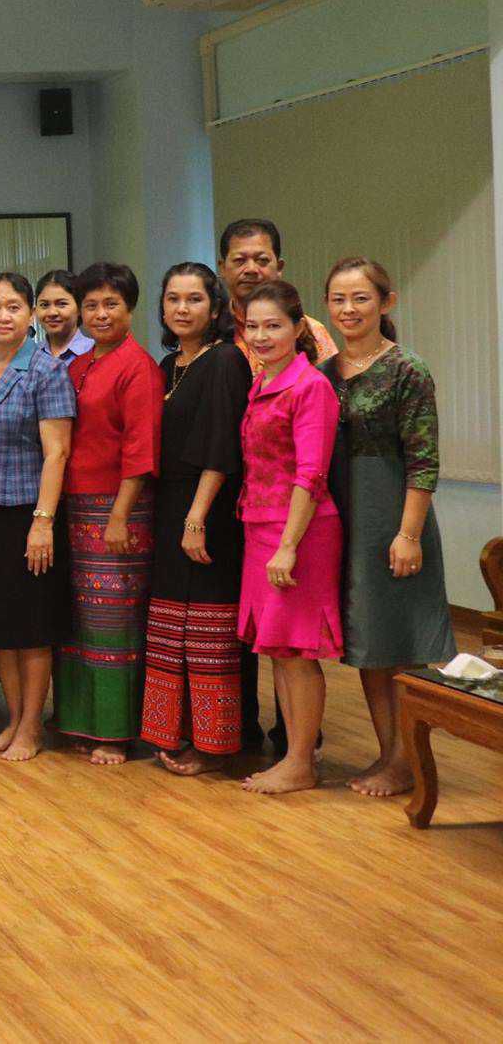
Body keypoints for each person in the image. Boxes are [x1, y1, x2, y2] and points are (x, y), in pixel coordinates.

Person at [321, 258, 455, 797]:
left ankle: (409, 760)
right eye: (338, 299)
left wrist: (408, 534)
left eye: (360, 298)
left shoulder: (407, 369)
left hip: (394, 518)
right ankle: (388, 754)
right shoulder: (325, 372)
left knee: (402, 642)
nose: (349, 309)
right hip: (345, 518)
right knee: (368, 642)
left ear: (385, 302)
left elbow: (424, 460)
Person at [140, 264, 252, 776]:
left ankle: (215, 743)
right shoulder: (169, 365)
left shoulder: (226, 359)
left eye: (194, 299)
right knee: (172, 626)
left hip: (208, 508)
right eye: (173, 299)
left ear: (215, 307)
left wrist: (196, 517)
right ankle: (176, 731)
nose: (182, 308)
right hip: (169, 505)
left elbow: (222, 443)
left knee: (208, 629)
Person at [0, 272, 74, 763]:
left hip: (28, 515)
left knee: (31, 626)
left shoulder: (48, 370)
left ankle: (32, 726)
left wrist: (43, 521)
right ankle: (13, 719)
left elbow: (57, 453)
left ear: (30, 315)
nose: (3, 316)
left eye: (13, 307)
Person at [236, 280, 343, 795]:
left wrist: (288, 545)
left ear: (299, 328)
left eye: (273, 326)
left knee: (298, 650)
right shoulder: (263, 381)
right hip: (261, 525)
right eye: (252, 326)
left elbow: (311, 473)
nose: (261, 336)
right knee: (277, 647)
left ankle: (302, 760)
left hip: (299, 531)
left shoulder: (310, 386)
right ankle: (292, 757)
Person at [58, 262, 163, 766]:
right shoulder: (78, 365)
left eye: (111, 305)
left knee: (115, 623)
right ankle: (82, 721)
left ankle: (116, 732)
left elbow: (141, 449)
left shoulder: (138, 367)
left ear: (130, 308)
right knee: (80, 622)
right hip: (74, 508)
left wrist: (119, 515)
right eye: (92, 305)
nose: (101, 314)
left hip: (118, 511)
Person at [218, 219, 336, 378]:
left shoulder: (312, 332)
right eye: (240, 260)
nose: (251, 269)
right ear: (222, 268)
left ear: (279, 267)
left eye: (262, 260)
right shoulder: (209, 331)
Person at [34, 268, 94, 366]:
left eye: (62, 304)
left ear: (79, 308)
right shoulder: (30, 356)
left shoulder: (95, 352)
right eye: (44, 305)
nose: (52, 312)